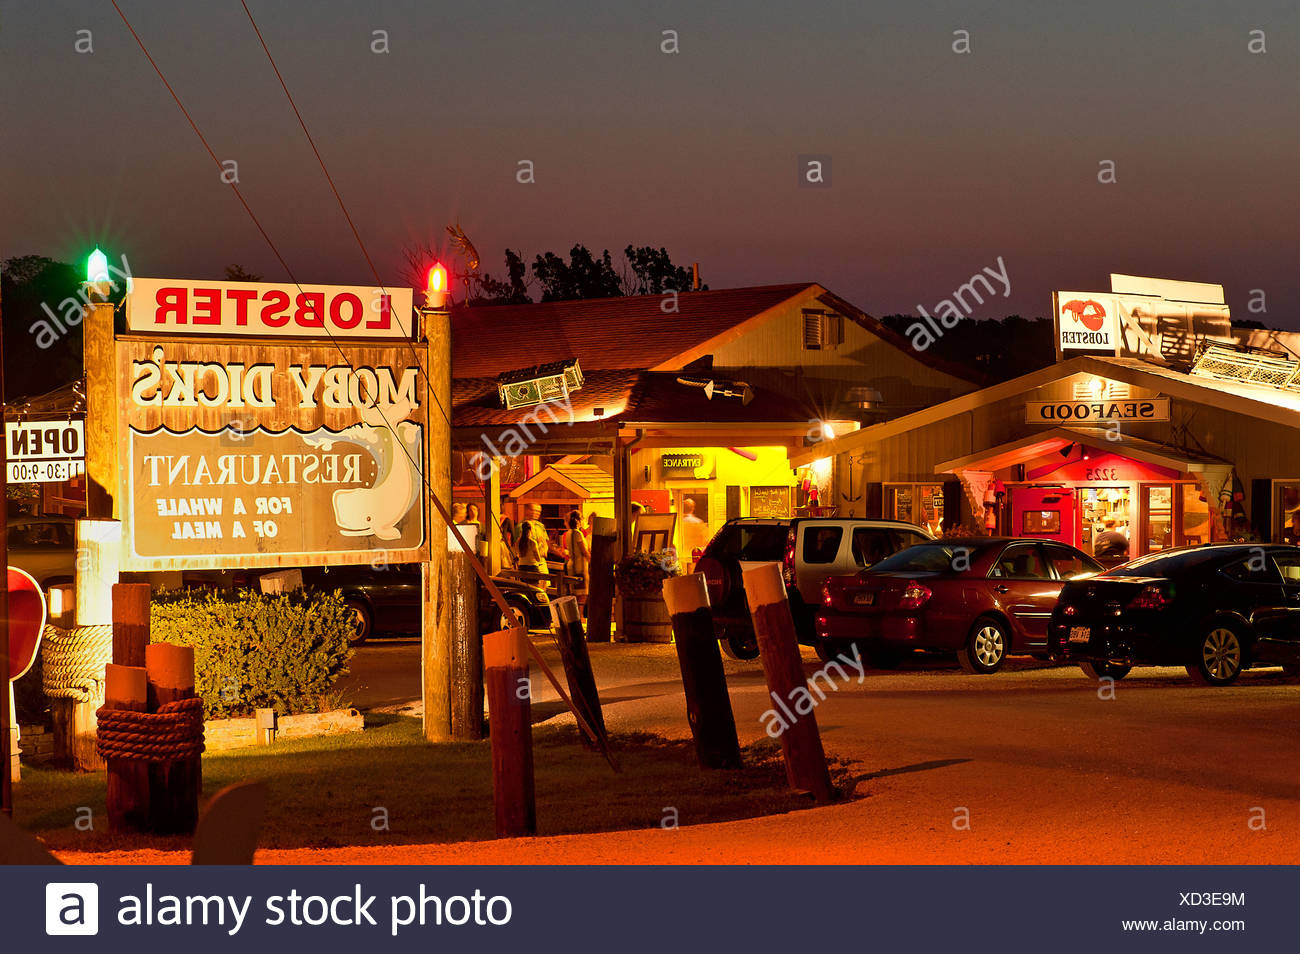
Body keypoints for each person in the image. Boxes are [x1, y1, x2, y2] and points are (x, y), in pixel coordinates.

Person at [563, 509, 591, 609]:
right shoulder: (577, 533)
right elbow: (584, 551)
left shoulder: (568, 533)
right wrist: (591, 560)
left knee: (574, 592)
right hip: (580, 566)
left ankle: (576, 615)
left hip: (572, 565)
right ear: (579, 520)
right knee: (583, 593)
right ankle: (580, 615)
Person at [517, 503, 549, 574]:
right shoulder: (521, 526)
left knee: (544, 582)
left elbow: (545, 543)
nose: (536, 513)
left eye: (539, 511)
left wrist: (544, 551)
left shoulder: (541, 526)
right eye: (534, 510)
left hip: (541, 561)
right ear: (527, 511)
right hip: (529, 562)